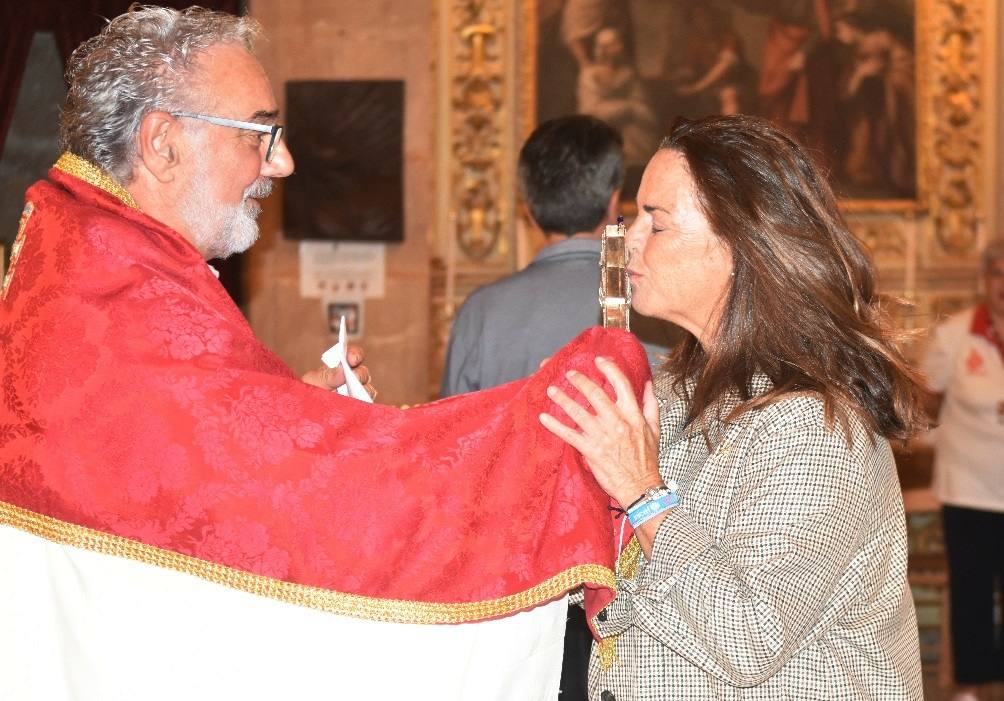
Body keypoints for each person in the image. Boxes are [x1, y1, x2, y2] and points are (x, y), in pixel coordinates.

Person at [0, 7, 655, 700]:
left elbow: (184, 470)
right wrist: (541, 431)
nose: (281, 161)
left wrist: (294, 411)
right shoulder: (121, 287)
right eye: (261, 131)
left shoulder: (96, 258)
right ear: (163, 143)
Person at [539, 114, 928, 699]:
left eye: (657, 222)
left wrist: (642, 493)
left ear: (738, 245)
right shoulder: (681, 388)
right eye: (634, 216)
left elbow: (749, 636)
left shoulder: (815, 424)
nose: (626, 239)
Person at [441, 113, 673, 701]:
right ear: (616, 198)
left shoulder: (482, 312)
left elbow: (458, 451)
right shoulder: (653, 310)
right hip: (635, 570)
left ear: (527, 204)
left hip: (516, 576)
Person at [442, 114, 672, 397]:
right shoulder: (658, 301)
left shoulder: (480, 312)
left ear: (529, 212)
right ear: (614, 202)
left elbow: (455, 429)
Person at [921, 240, 1004, 701]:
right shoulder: (954, 335)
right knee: (971, 592)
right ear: (984, 281)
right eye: (998, 274)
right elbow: (927, 401)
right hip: (969, 487)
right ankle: (969, 690)